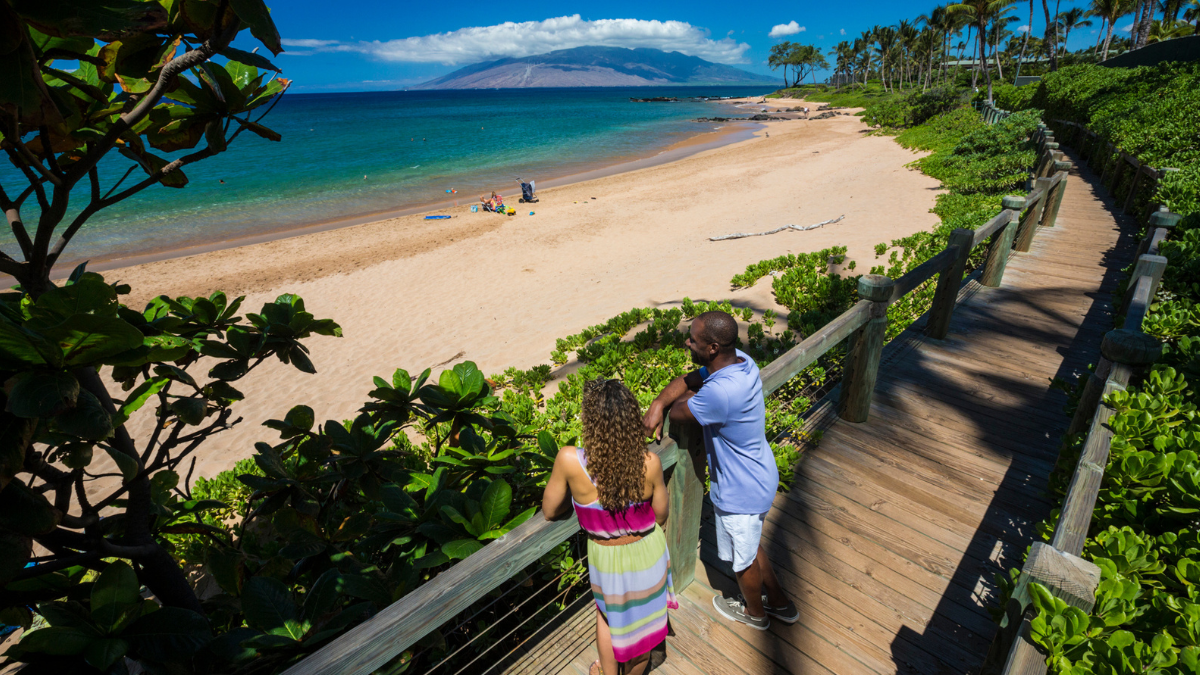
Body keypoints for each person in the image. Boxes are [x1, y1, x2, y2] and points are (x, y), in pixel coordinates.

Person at [642, 310, 798, 630]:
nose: (687, 342)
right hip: (759, 473)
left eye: (693, 339)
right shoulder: (740, 360)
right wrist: (658, 403)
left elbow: (682, 412)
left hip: (741, 488)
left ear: (712, 348)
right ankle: (780, 603)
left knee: (743, 561)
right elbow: (688, 382)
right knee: (751, 548)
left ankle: (755, 614)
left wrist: (668, 405)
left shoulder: (721, 393)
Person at [543, 379, 676, 675]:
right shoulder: (649, 462)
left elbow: (550, 511)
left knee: (606, 616)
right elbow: (662, 514)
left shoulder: (569, 460)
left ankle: (606, 670)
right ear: (631, 419)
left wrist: (580, 501)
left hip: (606, 557)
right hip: (647, 551)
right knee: (644, 625)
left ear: (589, 422)